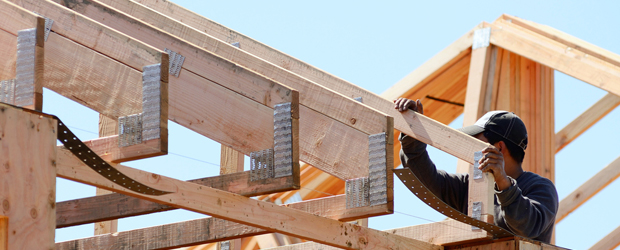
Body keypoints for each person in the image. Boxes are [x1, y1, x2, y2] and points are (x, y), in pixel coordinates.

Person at [394, 98, 558, 243]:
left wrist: (503, 183)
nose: (470, 151)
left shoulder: (540, 187)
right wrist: (412, 131)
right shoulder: (469, 187)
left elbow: (526, 226)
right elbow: (425, 179)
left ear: (499, 148)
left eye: (475, 142)